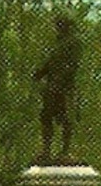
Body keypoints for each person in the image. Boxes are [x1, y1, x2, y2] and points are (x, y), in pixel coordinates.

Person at [32, 16, 81, 164]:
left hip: (64, 87)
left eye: (60, 24)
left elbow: (72, 64)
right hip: (51, 85)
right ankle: (46, 150)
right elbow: (51, 62)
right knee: (46, 116)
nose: (57, 27)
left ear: (67, 26)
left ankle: (65, 151)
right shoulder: (58, 44)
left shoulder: (74, 42)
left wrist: (60, 81)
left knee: (66, 118)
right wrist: (41, 72)